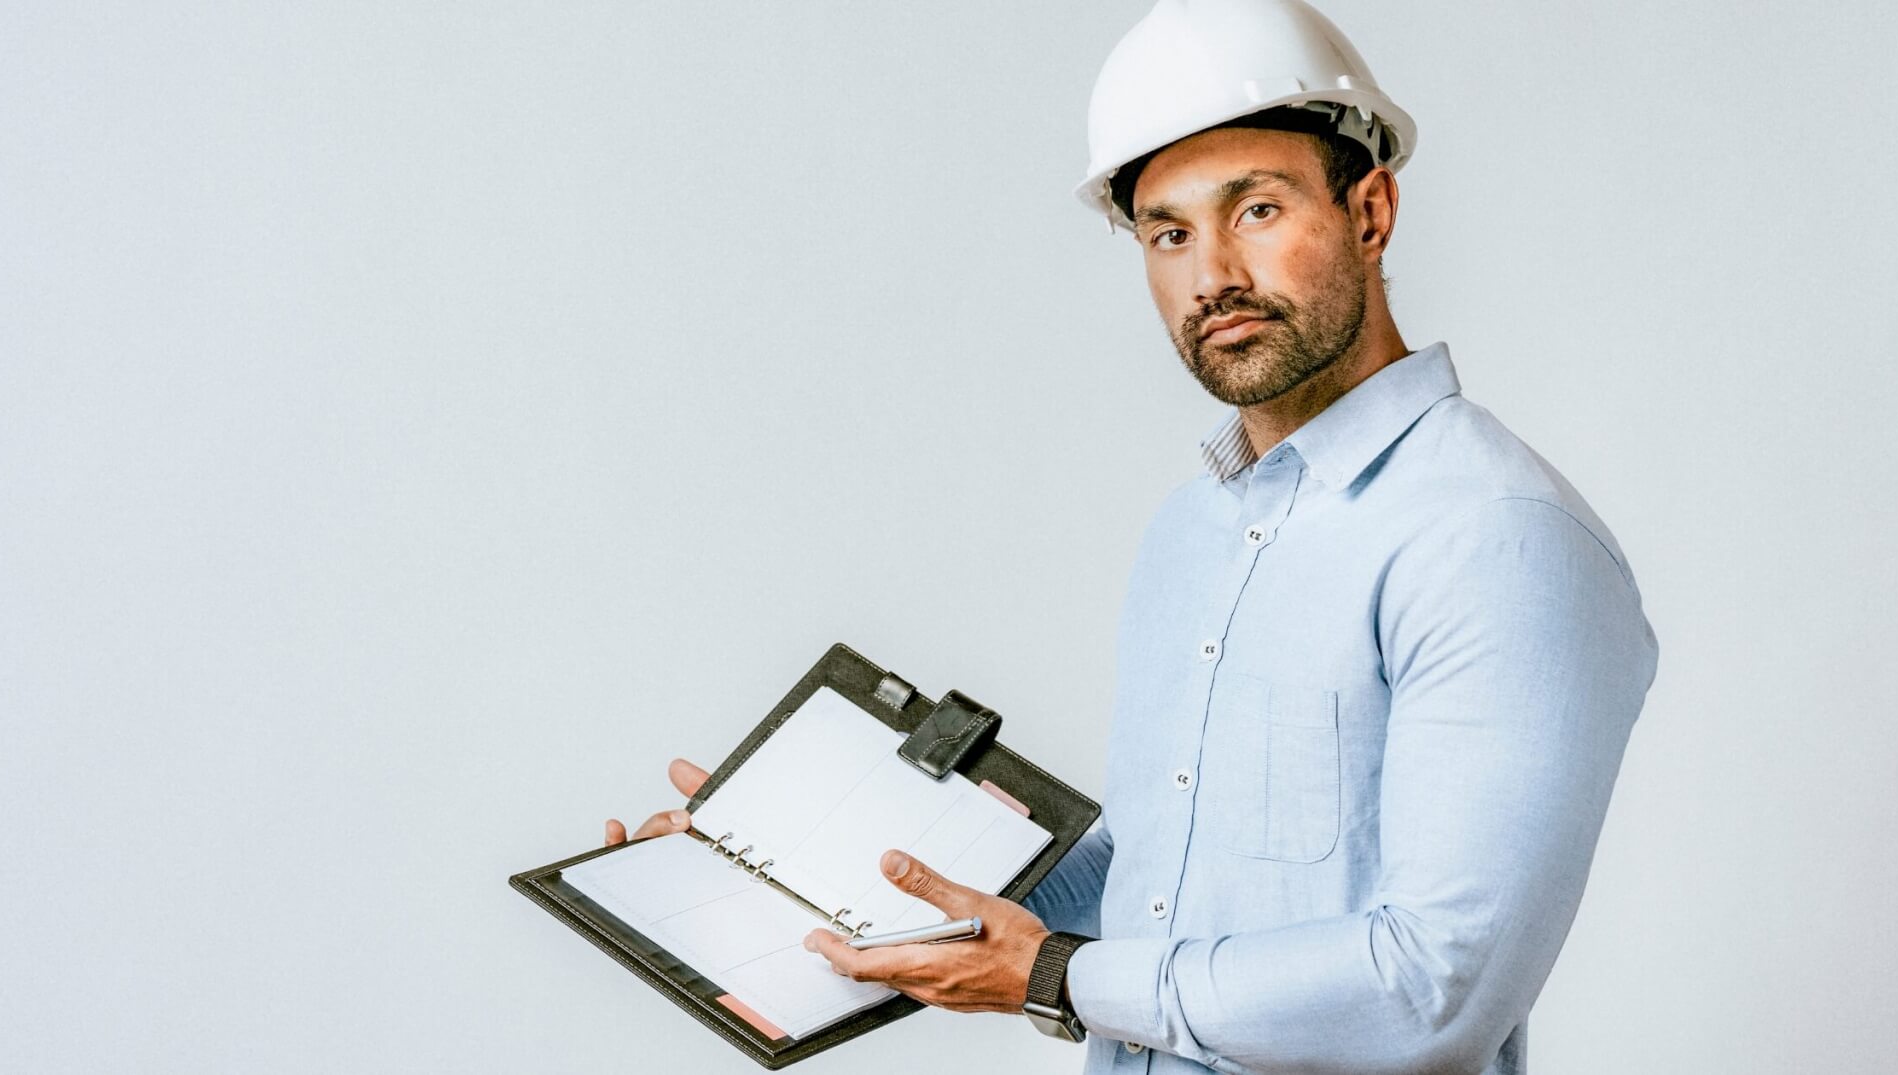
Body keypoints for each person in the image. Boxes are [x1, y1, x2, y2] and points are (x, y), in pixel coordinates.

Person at [605, 1, 1659, 1071]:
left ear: (1369, 211)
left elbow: (1436, 990)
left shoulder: (1493, 538)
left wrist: (1054, 978)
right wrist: (790, 875)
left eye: (1254, 208)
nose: (1209, 276)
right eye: (1168, 232)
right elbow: (1156, 879)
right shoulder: (1195, 530)